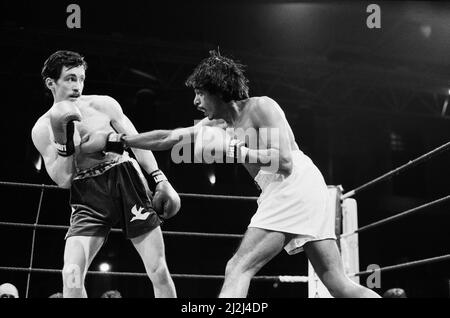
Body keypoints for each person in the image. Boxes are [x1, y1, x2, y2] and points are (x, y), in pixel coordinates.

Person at [82, 50, 380, 298]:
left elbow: (285, 162)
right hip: (291, 188)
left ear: (218, 90)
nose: (195, 102)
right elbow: (168, 138)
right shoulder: (214, 126)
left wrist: (242, 153)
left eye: (200, 93)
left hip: (294, 183)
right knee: (338, 285)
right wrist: (119, 140)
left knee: (238, 267)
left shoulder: (262, 107)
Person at [31, 50, 180, 298]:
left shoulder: (104, 104)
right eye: (69, 78)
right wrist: (65, 143)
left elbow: (136, 142)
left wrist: (160, 179)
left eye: (80, 78)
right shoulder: (42, 128)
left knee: (157, 269)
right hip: (87, 192)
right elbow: (65, 180)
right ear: (50, 83)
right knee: (71, 273)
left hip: (124, 177)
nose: (77, 85)